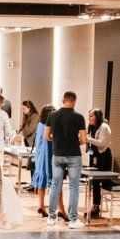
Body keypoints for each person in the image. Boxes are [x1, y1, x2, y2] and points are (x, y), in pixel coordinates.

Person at [46, 91, 87, 228]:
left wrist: (57, 141)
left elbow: (47, 136)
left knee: (55, 186)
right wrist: (75, 142)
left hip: (57, 155)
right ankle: (73, 220)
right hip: (74, 155)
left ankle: (51, 218)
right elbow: (84, 140)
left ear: (63, 100)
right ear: (74, 101)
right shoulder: (79, 117)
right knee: (74, 188)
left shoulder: (52, 115)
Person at [31, 105, 66, 218]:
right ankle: (61, 209)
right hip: (49, 156)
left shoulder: (40, 125)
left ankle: (41, 206)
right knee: (57, 183)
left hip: (40, 156)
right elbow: (52, 138)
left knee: (42, 182)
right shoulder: (50, 126)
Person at [87, 109, 113, 217]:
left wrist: (88, 139)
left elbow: (102, 143)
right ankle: (95, 206)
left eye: (91, 116)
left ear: (97, 117)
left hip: (104, 157)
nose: (89, 118)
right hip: (97, 156)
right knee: (95, 181)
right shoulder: (95, 127)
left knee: (105, 183)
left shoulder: (104, 127)